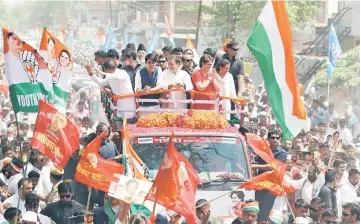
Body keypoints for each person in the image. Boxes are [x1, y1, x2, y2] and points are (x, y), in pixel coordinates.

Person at [252, 130, 287, 222]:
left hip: (272, 185)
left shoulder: (282, 153)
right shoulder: (263, 151)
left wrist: (255, 166)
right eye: (273, 138)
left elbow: (273, 167)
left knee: (266, 209)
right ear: (268, 139)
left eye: (277, 138)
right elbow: (255, 161)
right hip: (260, 183)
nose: (275, 139)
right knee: (257, 207)